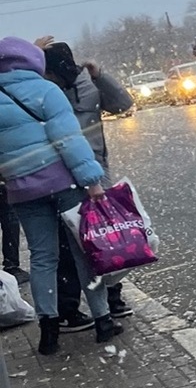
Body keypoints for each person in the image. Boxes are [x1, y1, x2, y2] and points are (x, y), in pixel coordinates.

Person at [0, 37, 124, 354]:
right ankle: (104, 322)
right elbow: (68, 140)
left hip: (22, 191)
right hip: (63, 183)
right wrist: (92, 181)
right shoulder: (46, 91)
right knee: (85, 253)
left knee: (43, 259)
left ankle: (49, 332)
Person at [40, 41, 134, 326]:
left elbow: (122, 104)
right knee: (95, 239)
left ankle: (99, 304)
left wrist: (100, 75)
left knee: (92, 240)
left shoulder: (50, 87)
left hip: (83, 172)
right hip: (78, 173)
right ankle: (90, 306)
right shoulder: (51, 87)